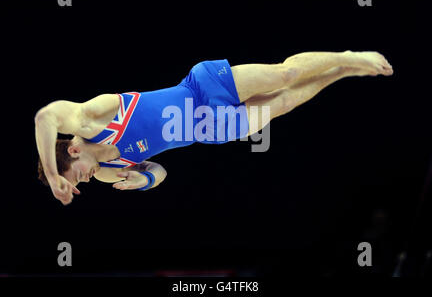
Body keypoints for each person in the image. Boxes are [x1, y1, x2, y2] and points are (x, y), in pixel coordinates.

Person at [35, 51, 393, 205]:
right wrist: (144, 181)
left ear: (73, 150)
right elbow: (159, 171)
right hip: (210, 130)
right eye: (80, 182)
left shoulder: (93, 118)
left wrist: (54, 178)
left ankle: (347, 57)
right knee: (286, 102)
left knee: (285, 75)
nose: (87, 179)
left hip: (201, 87)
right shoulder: (106, 175)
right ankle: (343, 72)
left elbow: (45, 117)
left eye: (78, 175)